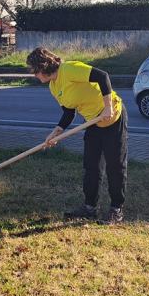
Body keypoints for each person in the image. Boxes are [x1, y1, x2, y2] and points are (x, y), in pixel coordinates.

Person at [26, 47, 127, 224]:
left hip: (113, 117)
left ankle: (116, 209)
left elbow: (102, 76)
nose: (34, 75)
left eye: (34, 71)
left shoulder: (69, 69)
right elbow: (69, 111)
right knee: (91, 166)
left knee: (115, 165)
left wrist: (108, 107)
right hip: (94, 122)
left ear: (43, 66)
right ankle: (89, 208)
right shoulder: (53, 86)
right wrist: (56, 131)